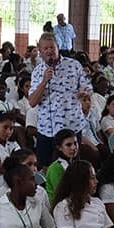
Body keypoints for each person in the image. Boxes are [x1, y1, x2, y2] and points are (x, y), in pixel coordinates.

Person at [28, 32, 91, 166]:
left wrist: (83, 92)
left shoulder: (74, 65)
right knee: (45, 168)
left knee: (72, 168)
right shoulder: (38, 72)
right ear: (40, 51)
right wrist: (44, 81)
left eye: (52, 47)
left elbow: (87, 88)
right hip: (47, 128)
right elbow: (32, 102)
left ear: (58, 47)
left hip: (71, 127)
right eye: (45, 49)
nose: (49, 51)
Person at [44, 128, 78, 203]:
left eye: (75, 143)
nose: (73, 148)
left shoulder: (75, 164)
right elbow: (61, 194)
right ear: (59, 147)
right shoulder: (55, 168)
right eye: (68, 145)